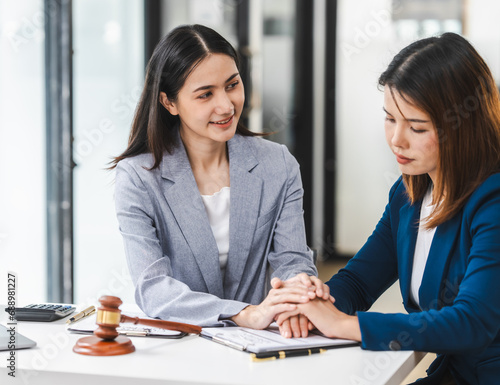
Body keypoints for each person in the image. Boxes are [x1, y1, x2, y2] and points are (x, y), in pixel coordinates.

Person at [275, 33, 500, 384]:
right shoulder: (409, 193)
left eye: (416, 126)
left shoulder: (492, 199)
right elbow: (359, 281)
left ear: (463, 127)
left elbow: (472, 322)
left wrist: (344, 325)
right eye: (390, 118)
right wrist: (311, 301)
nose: (397, 139)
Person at [110, 24, 327, 329]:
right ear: (169, 103)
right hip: (182, 344)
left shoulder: (278, 164)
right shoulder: (138, 177)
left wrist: (298, 293)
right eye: (205, 94)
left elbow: (292, 261)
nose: (225, 105)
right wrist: (243, 313)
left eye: (232, 85)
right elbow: (154, 288)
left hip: (264, 341)